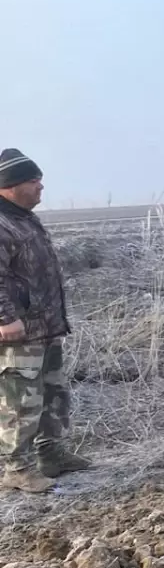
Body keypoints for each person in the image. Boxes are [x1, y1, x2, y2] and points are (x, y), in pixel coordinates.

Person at [0, 148, 89, 493]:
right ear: (9, 185)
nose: (41, 187)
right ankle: (17, 469)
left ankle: (51, 454)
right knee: (19, 401)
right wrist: (5, 317)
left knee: (53, 393)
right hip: (17, 332)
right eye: (33, 181)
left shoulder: (24, 218)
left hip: (45, 328)